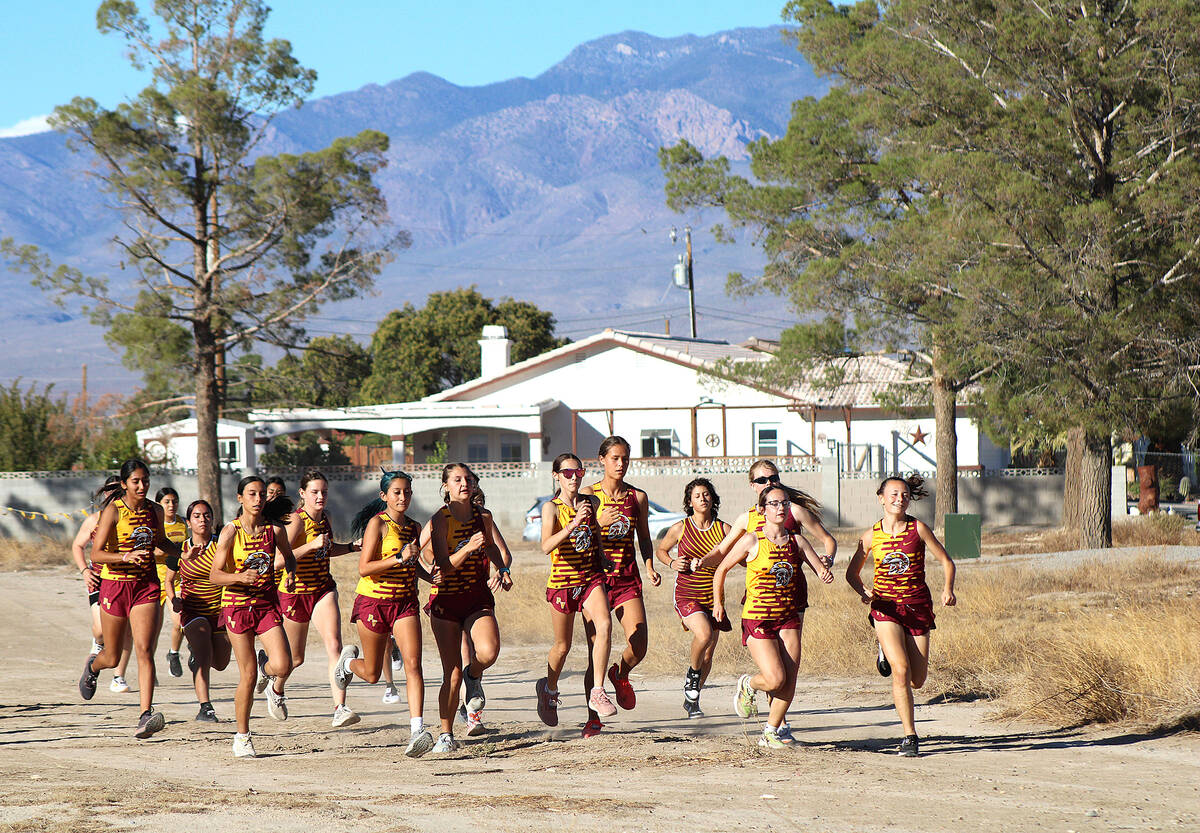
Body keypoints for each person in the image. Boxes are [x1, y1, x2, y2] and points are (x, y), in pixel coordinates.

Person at [698, 458, 835, 740]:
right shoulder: (747, 522)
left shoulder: (793, 511)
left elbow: (826, 541)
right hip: (760, 601)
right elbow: (722, 553)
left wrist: (826, 562)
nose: (769, 484)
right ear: (753, 486)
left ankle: (776, 726)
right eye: (762, 481)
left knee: (789, 671)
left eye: (773, 478)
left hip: (793, 598)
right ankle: (761, 702)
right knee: (775, 674)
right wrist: (701, 564)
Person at [77, 459, 191, 738]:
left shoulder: (154, 510)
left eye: (146, 480)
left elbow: (160, 542)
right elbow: (96, 554)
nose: (142, 485)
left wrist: (180, 553)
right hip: (115, 587)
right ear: (125, 483)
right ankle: (93, 666)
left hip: (146, 586)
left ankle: (145, 714)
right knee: (113, 655)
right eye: (136, 481)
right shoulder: (113, 511)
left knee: (144, 649)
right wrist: (125, 556)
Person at [845, 474, 956, 758]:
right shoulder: (871, 536)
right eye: (893, 494)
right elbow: (851, 574)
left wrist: (948, 590)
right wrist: (864, 591)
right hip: (886, 608)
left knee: (918, 680)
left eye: (904, 494)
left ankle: (885, 650)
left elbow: (946, 561)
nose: (899, 499)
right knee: (901, 670)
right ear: (881, 497)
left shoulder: (918, 528)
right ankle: (910, 736)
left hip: (917, 607)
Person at [338, 470, 435, 757]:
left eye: (406, 491)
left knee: (413, 664)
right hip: (373, 602)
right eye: (396, 492)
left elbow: (413, 563)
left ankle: (417, 730)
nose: (403, 496)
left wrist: (431, 578)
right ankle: (347, 665)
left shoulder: (415, 527)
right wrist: (398, 558)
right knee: (371, 674)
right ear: (384, 496)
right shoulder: (377, 524)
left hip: (405, 603)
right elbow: (364, 567)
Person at [423, 463, 510, 754]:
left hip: (476, 597)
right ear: (446, 485)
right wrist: (469, 548)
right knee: (452, 673)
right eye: (457, 480)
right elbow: (442, 566)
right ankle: (446, 733)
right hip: (446, 601)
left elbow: (493, 547)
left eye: (468, 479)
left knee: (488, 652)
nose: (464, 484)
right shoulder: (440, 519)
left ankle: (475, 676)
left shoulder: (483, 516)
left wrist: (502, 568)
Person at [210, 475, 298, 758]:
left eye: (262, 494)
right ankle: (242, 736)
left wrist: (291, 574)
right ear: (240, 498)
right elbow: (214, 575)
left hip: (266, 604)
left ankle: (267, 670)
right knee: (246, 675)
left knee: (283, 665)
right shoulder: (230, 532)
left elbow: (290, 556)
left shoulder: (275, 531)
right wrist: (239, 576)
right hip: (236, 606)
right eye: (251, 494)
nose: (258, 499)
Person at [579, 436, 660, 732]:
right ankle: (593, 719)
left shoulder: (637, 497)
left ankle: (620, 673)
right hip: (595, 579)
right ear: (601, 459)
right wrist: (598, 521)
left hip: (626, 577)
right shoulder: (588, 494)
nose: (621, 463)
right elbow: (578, 536)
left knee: (639, 643)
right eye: (615, 458)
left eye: (625, 458)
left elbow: (645, 538)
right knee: (594, 650)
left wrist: (650, 565)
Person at [270, 470, 362, 729]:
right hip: (295, 593)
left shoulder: (327, 518)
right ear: (302, 494)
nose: (320, 496)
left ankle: (340, 708)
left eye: (324, 492)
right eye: (314, 492)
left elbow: (328, 549)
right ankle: (275, 688)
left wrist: (353, 547)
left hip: (323, 589)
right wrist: (309, 546)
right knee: (293, 659)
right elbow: (277, 561)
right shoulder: (296, 521)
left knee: (334, 645)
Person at [536, 453, 617, 734]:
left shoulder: (591, 502)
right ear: (556, 475)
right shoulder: (552, 508)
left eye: (578, 472)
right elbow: (546, 546)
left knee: (604, 625)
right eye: (567, 473)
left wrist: (603, 555)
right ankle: (549, 688)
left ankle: (598, 690)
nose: (573, 478)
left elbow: (594, 533)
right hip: (563, 583)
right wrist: (571, 525)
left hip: (591, 578)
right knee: (563, 646)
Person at [654, 477, 731, 718]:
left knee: (708, 654)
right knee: (704, 634)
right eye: (697, 495)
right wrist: (671, 563)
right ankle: (692, 676)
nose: (703, 498)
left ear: (713, 498)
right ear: (690, 502)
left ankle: (692, 700)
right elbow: (661, 550)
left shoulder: (724, 529)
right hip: (687, 593)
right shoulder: (681, 527)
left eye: (706, 494)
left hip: (714, 595)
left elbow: (739, 554)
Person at [165, 499, 230, 722]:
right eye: (197, 516)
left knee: (220, 663)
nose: (203, 519)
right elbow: (169, 581)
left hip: (220, 611)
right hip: (193, 610)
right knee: (203, 654)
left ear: (212, 519)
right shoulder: (179, 550)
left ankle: (198, 656)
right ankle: (205, 707)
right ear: (188, 522)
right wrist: (174, 600)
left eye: (207, 515)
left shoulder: (222, 545)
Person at [70, 475, 132, 693]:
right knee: (100, 630)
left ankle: (119, 676)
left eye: (118, 489)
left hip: (126, 580)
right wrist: (84, 571)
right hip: (99, 579)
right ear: (104, 492)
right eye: (110, 489)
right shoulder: (94, 519)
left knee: (127, 631)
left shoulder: (132, 519)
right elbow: (77, 545)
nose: (113, 493)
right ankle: (97, 647)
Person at [156, 487, 188, 679]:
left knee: (179, 622)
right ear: (159, 504)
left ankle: (174, 653)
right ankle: (148, 669)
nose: (171, 505)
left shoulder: (183, 523)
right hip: (154, 580)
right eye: (167, 501)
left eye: (174, 501)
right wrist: (160, 552)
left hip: (176, 581)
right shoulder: (154, 525)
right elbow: (149, 552)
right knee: (152, 631)